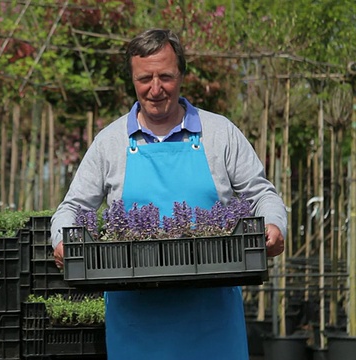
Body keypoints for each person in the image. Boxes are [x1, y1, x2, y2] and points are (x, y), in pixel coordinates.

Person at [50, 28, 286, 360]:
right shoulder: (110, 142)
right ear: (132, 79)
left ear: (182, 75)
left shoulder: (218, 133)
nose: (156, 89)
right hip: (137, 325)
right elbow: (72, 208)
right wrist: (61, 239)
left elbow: (262, 193)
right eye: (145, 78)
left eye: (166, 76)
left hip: (211, 323)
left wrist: (275, 226)